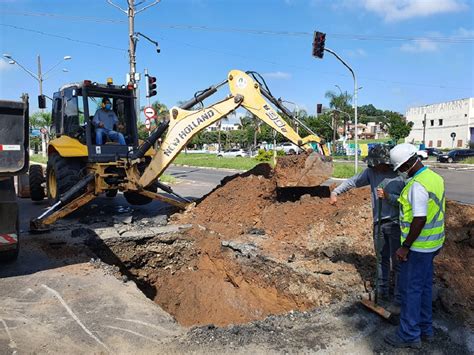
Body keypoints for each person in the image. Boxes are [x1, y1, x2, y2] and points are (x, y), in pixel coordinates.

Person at [385, 143, 445, 349]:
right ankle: (425, 328)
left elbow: (419, 219)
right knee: (425, 287)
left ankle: (409, 334)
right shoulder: (434, 178)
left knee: (411, 291)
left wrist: (405, 247)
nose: (400, 172)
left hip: (418, 247)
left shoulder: (417, 185)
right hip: (433, 244)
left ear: (408, 164)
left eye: (400, 168)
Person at [330, 144, 405, 308]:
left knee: (398, 262)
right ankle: (381, 292)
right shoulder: (371, 173)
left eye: (377, 163)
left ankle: (399, 299)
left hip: (396, 224)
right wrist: (336, 192)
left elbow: (407, 203)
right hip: (378, 223)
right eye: (373, 164)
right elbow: (353, 181)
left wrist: (388, 197)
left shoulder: (401, 176)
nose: (374, 167)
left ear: (386, 162)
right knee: (381, 259)